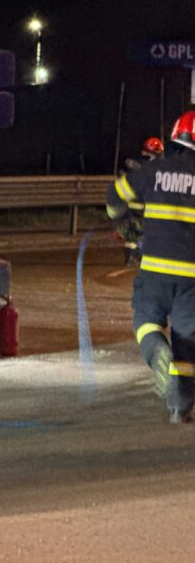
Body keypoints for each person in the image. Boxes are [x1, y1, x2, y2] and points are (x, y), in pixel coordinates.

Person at [107, 112, 195, 423]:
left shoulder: (156, 169)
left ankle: (157, 349)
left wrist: (124, 223)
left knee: (146, 321)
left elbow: (115, 196)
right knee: (187, 340)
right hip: (192, 281)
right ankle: (179, 406)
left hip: (155, 271)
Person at [118, 137, 166, 264]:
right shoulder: (156, 166)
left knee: (133, 233)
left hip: (132, 204)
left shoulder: (135, 164)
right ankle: (140, 256)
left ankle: (131, 257)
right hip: (145, 205)